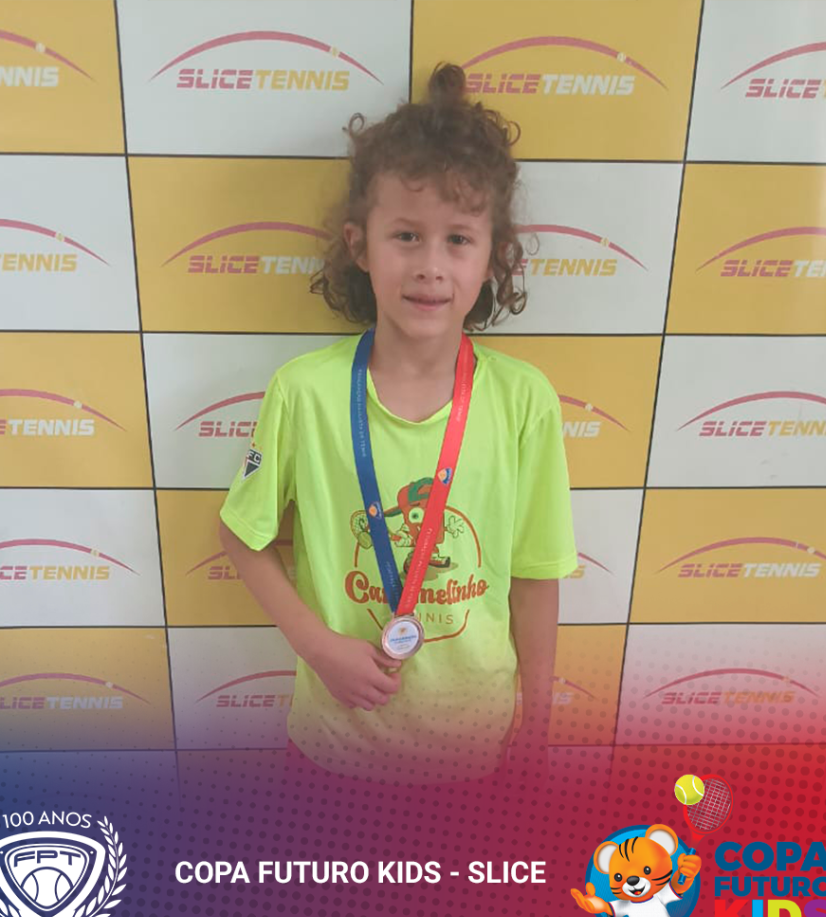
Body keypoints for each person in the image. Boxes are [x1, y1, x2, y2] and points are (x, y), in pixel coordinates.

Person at [217, 62, 577, 787]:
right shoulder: (306, 392)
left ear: (494, 257)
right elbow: (240, 535)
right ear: (360, 246)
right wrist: (318, 647)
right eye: (406, 235)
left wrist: (536, 727)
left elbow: (536, 577)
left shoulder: (524, 400)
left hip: (475, 749)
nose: (430, 267)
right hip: (333, 748)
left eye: (458, 239)